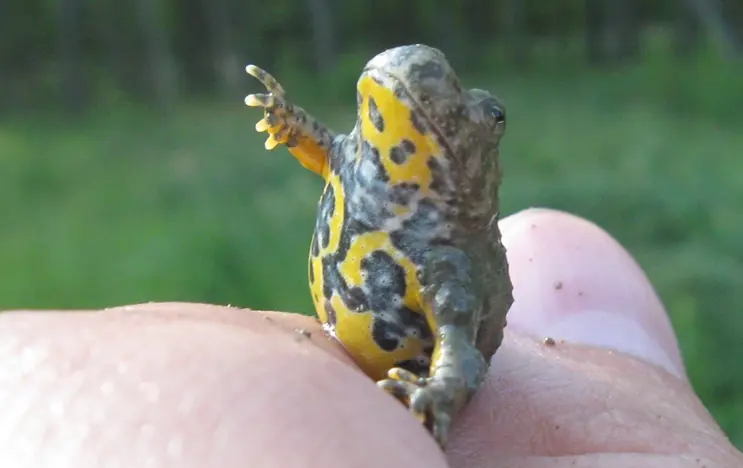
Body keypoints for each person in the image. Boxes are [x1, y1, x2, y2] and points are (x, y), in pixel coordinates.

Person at [0, 208, 740, 467]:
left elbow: (463, 338)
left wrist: (442, 391)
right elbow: (329, 156)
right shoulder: (373, 160)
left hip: (425, 358)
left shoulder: (450, 241)